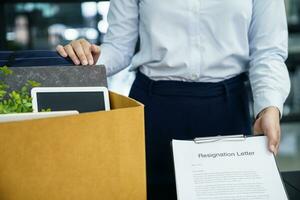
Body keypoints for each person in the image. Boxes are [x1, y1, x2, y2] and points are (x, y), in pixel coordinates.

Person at [57, 0, 290, 199]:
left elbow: (268, 52)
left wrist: (269, 106)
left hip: (226, 109)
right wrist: (87, 58)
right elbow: (118, 47)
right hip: (154, 110)